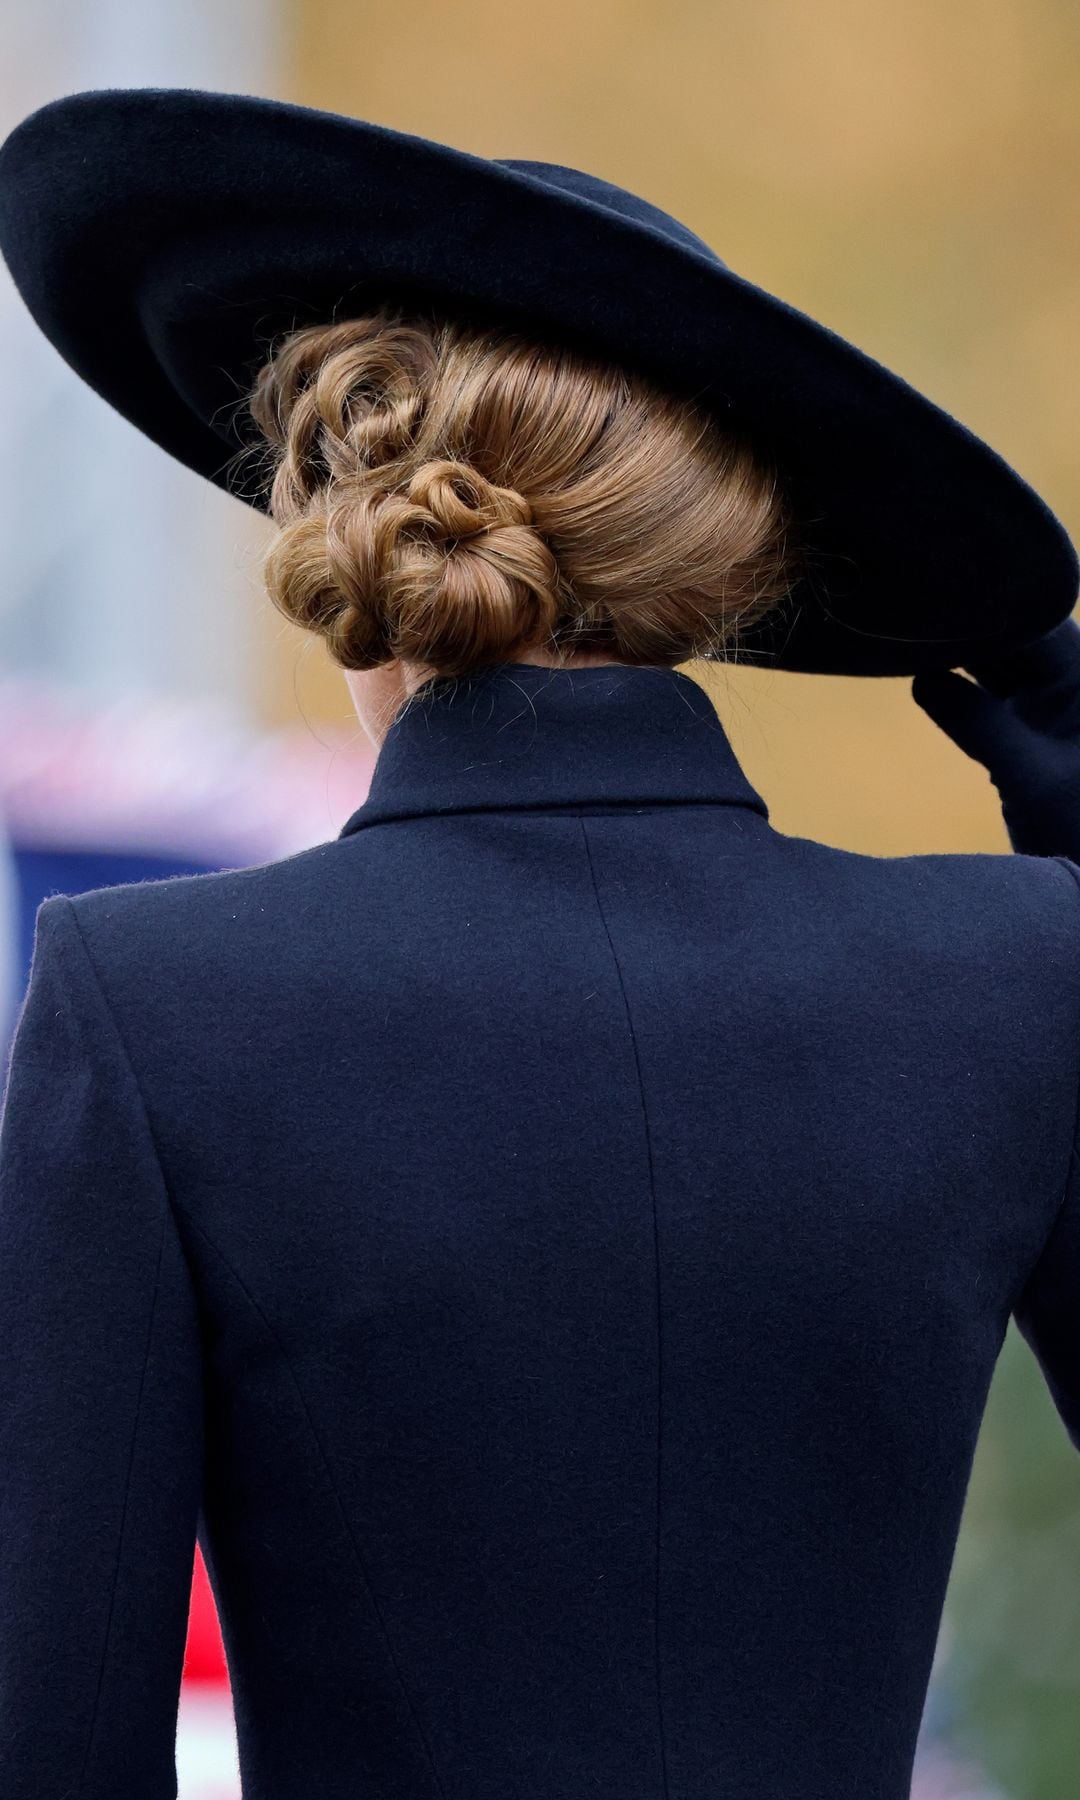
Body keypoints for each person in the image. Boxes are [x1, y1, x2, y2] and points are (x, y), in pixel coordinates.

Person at [0, 86, 1078, 1800]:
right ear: (725, 568)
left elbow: (52, 1735)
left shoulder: (150, 1006)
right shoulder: (1019, 977)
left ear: (349, 551)